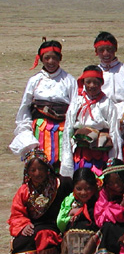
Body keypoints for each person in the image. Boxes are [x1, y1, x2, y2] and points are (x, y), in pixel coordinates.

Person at [4, 149, 73, 254]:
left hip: (55, 226)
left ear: (47, 168)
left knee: (44, 236)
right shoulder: (25, 190)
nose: (37, 173)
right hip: (34, 226)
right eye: (33, 170)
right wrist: (23, 225)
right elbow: (17, 213)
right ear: (27, 172)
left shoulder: (61, 183)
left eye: (41, 169)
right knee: (21, 242)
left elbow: (75, 199)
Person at [11, 40, 77, 168]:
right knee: (39, 166)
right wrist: (25, 131)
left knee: (62, 166)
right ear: (41, 59)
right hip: (39, 130)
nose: (51, 61)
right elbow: (25, 107)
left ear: (60, 58)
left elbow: (74, 107)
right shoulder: (34, 81)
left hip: (63, 130)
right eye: (47, 58)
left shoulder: (69, 80)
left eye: (54, 58)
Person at [60, 66, 121, 178]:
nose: (92, 86)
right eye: (88, 82)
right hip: (82, 152)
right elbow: (68, 129)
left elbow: (114, 131)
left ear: (101, 83)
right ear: (83, 82)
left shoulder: (107, 103)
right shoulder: (77, 102)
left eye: (96, 82)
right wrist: (67, 158)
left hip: (101, 153)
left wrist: (114, 160)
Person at [55, 167, 99, 254]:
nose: (83, 192)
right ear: (73, 188)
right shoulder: (69, 200)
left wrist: (81, 212)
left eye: (88, 188)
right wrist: (70, 217)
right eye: (79, 188)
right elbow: (60, 222)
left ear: (94, 187)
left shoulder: (98, 199)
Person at [94, 31, 124, 103]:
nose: (105, 53)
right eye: (101, 50)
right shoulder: (94, 73)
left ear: (115, 49)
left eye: (109, 49)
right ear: (96, 51)